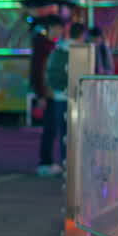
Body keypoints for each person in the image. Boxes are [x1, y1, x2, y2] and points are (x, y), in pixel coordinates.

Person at [41, 23, 86, 176]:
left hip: (59, 96)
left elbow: (49, 71)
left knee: (64, 134)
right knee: (76, 133)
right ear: (81, 34)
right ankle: (74, 166)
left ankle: (67, 164)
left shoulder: (58, 49)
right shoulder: (82, 50)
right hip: (77, 97)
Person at [32, 15, 64, 163]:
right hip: (47, 92)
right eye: (57, 28)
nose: (60, 31)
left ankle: (47, 161)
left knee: (52, 128)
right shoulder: (42, 46)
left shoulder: (53, 45)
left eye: (61, 29)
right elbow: (36, 71)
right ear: (50, 28)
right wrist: (40, 95)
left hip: (54, 92)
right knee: (49, 128)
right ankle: (45, 162)